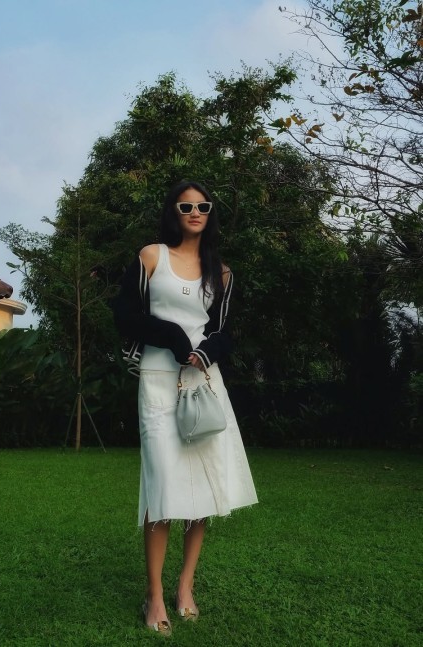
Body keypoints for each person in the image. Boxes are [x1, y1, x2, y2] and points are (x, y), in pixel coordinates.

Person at [113, 180, 258, 636]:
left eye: (203, 206)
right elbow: (125, 315)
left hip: (205, 383)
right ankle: (154, 595)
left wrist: (207, 351)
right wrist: (174, 338)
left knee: (202, 490)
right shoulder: (151, 257)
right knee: (162, 485)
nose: (195, 212)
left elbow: (224, 331)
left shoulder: (222, 273)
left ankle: (185, 586)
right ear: (173, 212)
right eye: (186, 206)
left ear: (210, 214)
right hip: (160, 379)